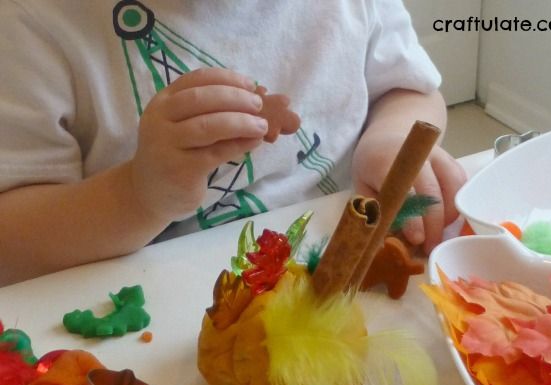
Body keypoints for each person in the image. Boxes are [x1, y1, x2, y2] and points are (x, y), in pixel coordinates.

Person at [0, 0, 466, 286]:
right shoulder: (31, 23)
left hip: (347, 271)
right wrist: (136, 196)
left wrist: (389, 141)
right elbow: (12, 242)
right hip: (150, 322)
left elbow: (412, 89)